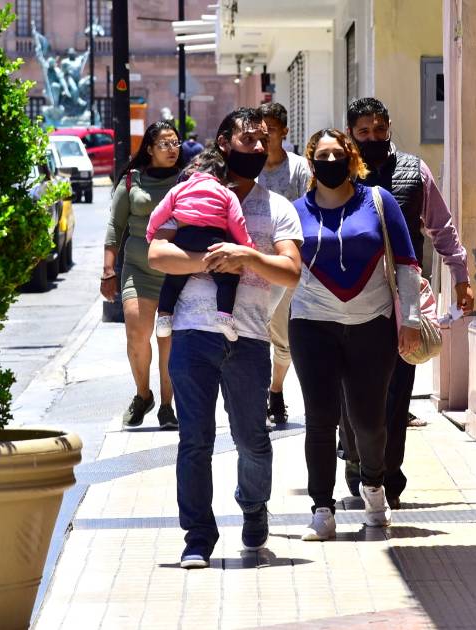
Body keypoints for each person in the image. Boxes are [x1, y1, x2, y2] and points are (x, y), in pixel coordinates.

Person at [148, 107, 303, 568]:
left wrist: (246, 257)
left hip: (249, 337)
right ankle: (197, 537)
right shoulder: (191, 192)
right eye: (247, 139)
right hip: (192, 334)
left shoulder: (277, 207)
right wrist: (211, 261)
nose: (257, 147)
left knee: (252, 439)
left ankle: (253, 508)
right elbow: (157, 254)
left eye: (262, 140)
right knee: (194, 440)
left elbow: (291, 271)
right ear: (223, 143)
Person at [339, 96, 473, 508]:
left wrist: (461, 275)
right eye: (363, 132)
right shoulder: (339, 172)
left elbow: (441, 228)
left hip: (402, 303)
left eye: (379, 130)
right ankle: (357, 461)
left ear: (390, 128)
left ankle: (387, 476)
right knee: (351, 389)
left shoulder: (415, 171)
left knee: (396, 394)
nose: (373, 138)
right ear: (351, 135)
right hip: (349, 300)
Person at [291, 128, 421, 541]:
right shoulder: (295, 212)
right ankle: (322, 509)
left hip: (373, 325)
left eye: (338, 154)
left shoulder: (378, 201)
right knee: (320, 419)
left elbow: (406, 263)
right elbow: (281, 268)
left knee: (369, 421)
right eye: (322, 156)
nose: (331, 162)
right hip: (312, 324)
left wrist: (411, 320)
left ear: (352, 159)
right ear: (311, 163)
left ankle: (374, 487)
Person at [102, 121, 185, 430]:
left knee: (168, 340)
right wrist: (108, 271)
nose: (172, 149)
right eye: (164, 144)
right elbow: (115, 227)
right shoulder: (131, 180)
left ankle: (167, 406)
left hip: (176, 272)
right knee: (137, 334)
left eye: (175, 143)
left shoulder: (186, 179)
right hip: (138, 270)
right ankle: (143, 394)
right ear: (149, 149)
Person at [147, 151, 255, 342]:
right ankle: (224, 316)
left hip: (184, 238)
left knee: (172, 280)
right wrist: (248, 246)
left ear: (194, 169)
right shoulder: (226, 193)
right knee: (228, 279)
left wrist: (150, 234)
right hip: (213, 240)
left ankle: (164, 317)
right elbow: (237, 222)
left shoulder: (179, 189)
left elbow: (159, 213)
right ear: (221, 175)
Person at [256, 102, 312, 427]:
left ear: (284, 132)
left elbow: (309, 211)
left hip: (285, 265)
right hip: (252, 264)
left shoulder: (299, 169)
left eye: (271, 131)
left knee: (282, 337)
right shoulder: (249, 167)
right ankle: (258, 396)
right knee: (252, 336)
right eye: (260, 132)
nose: (265, 138)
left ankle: (275, 389)